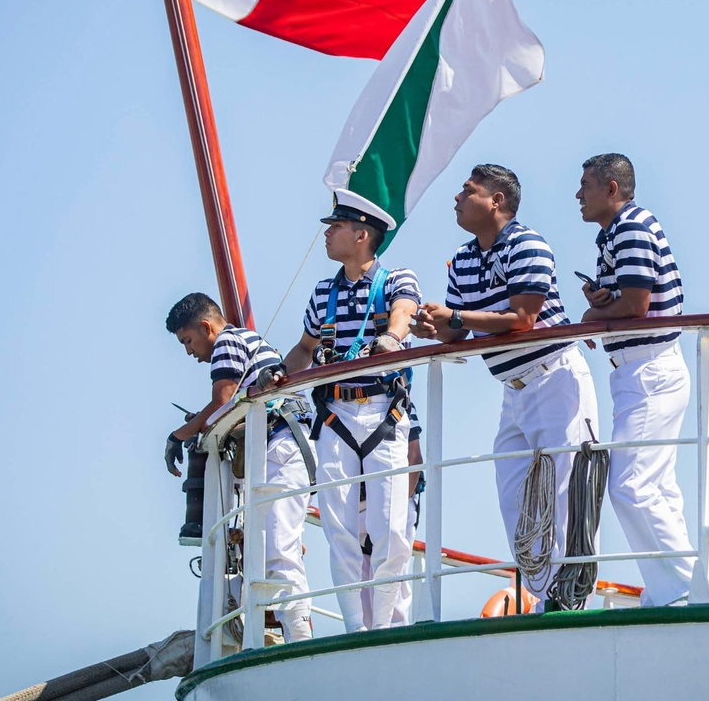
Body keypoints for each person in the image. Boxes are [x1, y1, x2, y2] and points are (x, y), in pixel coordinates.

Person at [413, 163, 598, 609]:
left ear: (497, 201)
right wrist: (433, 327)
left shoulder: (527, 244)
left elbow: (523, 318)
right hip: (513, 390)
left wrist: (455, 319)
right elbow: (458, 332)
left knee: (563, 496)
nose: (457, 198)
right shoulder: (463, 259)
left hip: (555, 378)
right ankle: (542, 594)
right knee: (514, 498)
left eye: (468, 190)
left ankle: (565, 600)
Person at [279, 191, 419, 631]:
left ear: (362, 235)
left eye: (335, 227)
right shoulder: (323, 293)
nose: (326, 233)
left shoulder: (397, 279)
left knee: (392, 529)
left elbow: (404, 313)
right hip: (335, 415)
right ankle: (357, 630)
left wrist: (392, 339)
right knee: (339, 528)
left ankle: (385, 629)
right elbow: (305, 349)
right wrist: (273, 382)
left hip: (383, 413)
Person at [575, 153, 695, 606]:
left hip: (649, 369)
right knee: (656, 486)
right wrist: (604, 298)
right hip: (644, 369)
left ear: (611, 189)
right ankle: (674, 589)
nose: (577, 195)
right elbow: (630, 297)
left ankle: (684, 586)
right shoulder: (619, 232)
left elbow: (637, 307)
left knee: (631, 485)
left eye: (585, 186)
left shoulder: (629, 228)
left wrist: (592, 313)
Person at [165, 292, 312, 642]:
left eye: (188, 340)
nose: (189, 351)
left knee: (278, 548)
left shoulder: (227, 341)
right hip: (275, 445)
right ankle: (286, 636)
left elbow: (223, 400)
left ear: (205, 327)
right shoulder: (242, 340)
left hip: (281, 443)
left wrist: (178, 435)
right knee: (265, 549)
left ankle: (302, 642)